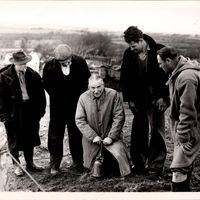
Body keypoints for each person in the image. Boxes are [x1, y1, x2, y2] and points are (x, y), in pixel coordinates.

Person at [120, 26, 169, 177]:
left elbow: (168, 76)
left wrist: (164, 97)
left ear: (141, 41)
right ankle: (139, 164)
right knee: (139, 131)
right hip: (138, 100)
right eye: (129, 45)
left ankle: (155, 166)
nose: (131, 48)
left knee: (157, 131)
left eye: (133, 45)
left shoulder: (159, 50)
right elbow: (125, 77)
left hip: (157, 99)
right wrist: (129, 99)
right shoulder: (129, 54)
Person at [43, 44, 90, 175]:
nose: (66, 63)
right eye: (63, 62)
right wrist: (58, 94)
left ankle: (78, 163)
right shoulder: (49, 67)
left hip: (76, 106)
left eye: (68, 60)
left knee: (76, 134)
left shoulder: (80, 62)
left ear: (71, 56)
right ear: (57, 61)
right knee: (55, 136)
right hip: (57, 107)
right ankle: (55, 164)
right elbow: (46, 84)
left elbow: (86, 80)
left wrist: (79, 96)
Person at [157, 46, 200, 191]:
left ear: (168, 60)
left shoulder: (186, 78)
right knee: (185, 165)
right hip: (188, 128)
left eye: (160, 63)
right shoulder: (179, 73)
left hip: (190, 128)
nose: (159, 66)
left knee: (179, 169)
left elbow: (187, 111)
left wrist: (182, 136)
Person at [75, 73, 131, 178]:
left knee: (118, 159)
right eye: (93, 88)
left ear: (103, 84)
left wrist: (111, 137)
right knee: (93, 166)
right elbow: (80, 120)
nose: (96, 91)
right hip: (92, 140)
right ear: (88, 87)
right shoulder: (83, 98)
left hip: (111, 137)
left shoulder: (113, 95)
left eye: (99, 87)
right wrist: (93, 136)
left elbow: (119, 117)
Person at [0, 50, 46, 176]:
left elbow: (41, 95)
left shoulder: (33, 75)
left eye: (25, 63)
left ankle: (30, 163)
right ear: (14, 63)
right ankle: (17, 165)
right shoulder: (4, 76)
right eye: (21, 64)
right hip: (14, 111)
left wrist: (40, 112)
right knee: (13, 138)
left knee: (29, 137)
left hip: (30, 110)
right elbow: (1, 99)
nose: (24, 66)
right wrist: (4, 116)